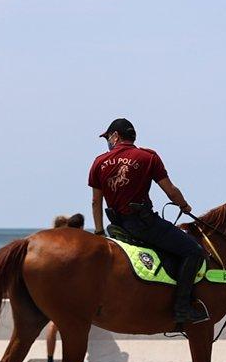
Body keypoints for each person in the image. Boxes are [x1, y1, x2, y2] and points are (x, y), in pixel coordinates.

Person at [88, 118, 208, 326]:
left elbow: (95, 201)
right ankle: (182, 309)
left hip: (116, 227)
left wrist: (99, 233)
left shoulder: (99, 162)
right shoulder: (148, 157)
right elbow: (170, 191)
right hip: (143, 224)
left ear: (115, 136)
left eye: (108, 137)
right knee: (194, 251)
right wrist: (184, 206)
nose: (107, 141)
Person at [44, 214, 92, 362]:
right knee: (76, 325)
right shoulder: (66, 244)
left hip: (51, 290)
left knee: (55, 325)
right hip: (68, 290)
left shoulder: (49, 244)